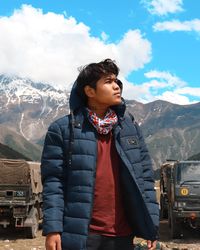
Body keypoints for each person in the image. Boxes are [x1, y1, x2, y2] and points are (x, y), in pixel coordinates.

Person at [41, 59, 159, 250]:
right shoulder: (62, 130)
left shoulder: (130, 129)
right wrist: (53, 229)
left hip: (123, 233)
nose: (116, 86)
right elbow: (54, 182)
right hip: (83, 234)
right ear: (90, 91)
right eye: (108, 81)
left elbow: (145, 178)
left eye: (116, 81)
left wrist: (150, 226)